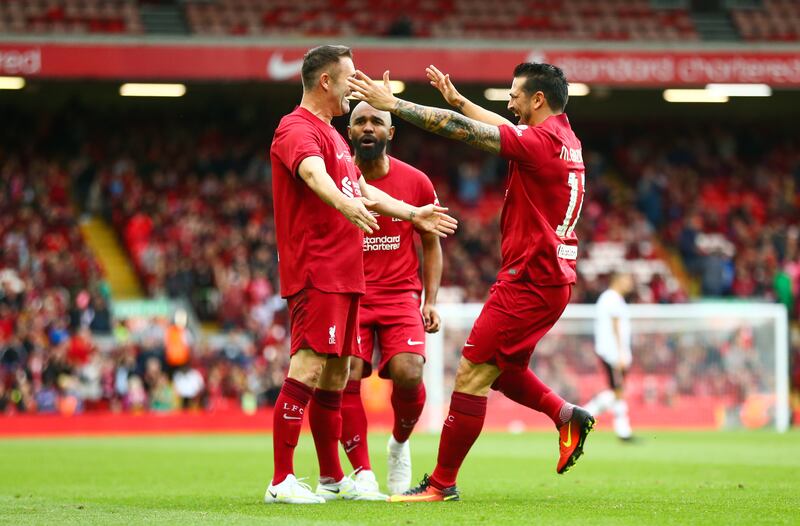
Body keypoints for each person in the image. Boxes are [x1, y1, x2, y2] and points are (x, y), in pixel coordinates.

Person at [347, 62, 595, 502]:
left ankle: (442, 483)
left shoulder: (538, 143)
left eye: (516, 93)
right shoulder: (564, 138)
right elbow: (499, 125)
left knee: (471, 374)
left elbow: (464, 132)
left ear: (538, 99)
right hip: (550, 278)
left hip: (530, 279)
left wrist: (396, 105)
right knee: (504, 370)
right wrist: (458, 99)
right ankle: (565, 415)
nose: (509, 101)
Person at [265, 45, 457, 505]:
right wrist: (342, 202)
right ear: (327, 81)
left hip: (347, 277)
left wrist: (415, 213)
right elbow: (313, 175)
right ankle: (281, 479)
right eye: (350, 77)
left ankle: (333, 478)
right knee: (308, 367)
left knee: (334, 375)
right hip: (318, 270)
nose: (356, 85)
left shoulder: (333, 136)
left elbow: (365, 192)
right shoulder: (297, 129)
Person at [340, 101, 443, 495]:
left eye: (377, 121)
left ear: (390, 133)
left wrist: (429, 300)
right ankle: (362, 472)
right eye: (360, 121)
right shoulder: (335, 178)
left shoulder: (416, 182)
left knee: (409, 372)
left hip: (401, 295)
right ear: (349, 132)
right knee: (346, 374)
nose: (368, 127)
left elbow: (431, 243)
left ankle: (399, 444)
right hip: (352, 293)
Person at [585, 272, 635, 440]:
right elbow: (615, 327)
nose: (630, 284)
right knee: (618, 391)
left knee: (617, 391)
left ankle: (622, 429)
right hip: (612, 353)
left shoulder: (611, 299)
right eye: (627, 280)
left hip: (610, 351)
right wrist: (620, 353)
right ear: (617, 280)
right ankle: (584, 415)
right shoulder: (612, 299)